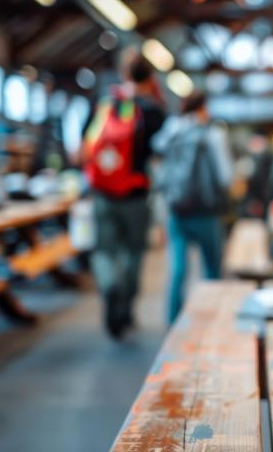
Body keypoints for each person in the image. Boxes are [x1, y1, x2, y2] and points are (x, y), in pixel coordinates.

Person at [84, 54, 165, 339]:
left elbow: (85, 142)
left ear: (123, 74)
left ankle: (109, 285)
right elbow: (161, 153)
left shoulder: (104, 103)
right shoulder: (153, 110)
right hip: (136, 193)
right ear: (149, 77)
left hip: (103, 194)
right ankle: (126, 305)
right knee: (133, 251)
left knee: (104, 250)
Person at [152, 92, 231, 323]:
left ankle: (172, 322)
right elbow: (226, 176)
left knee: (177, 270)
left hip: (176, 209)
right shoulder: (213, 134)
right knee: (212, 270)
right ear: (203, 108)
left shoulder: (172, 130)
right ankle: (212, 320)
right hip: (206, 211)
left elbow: (156, 150)